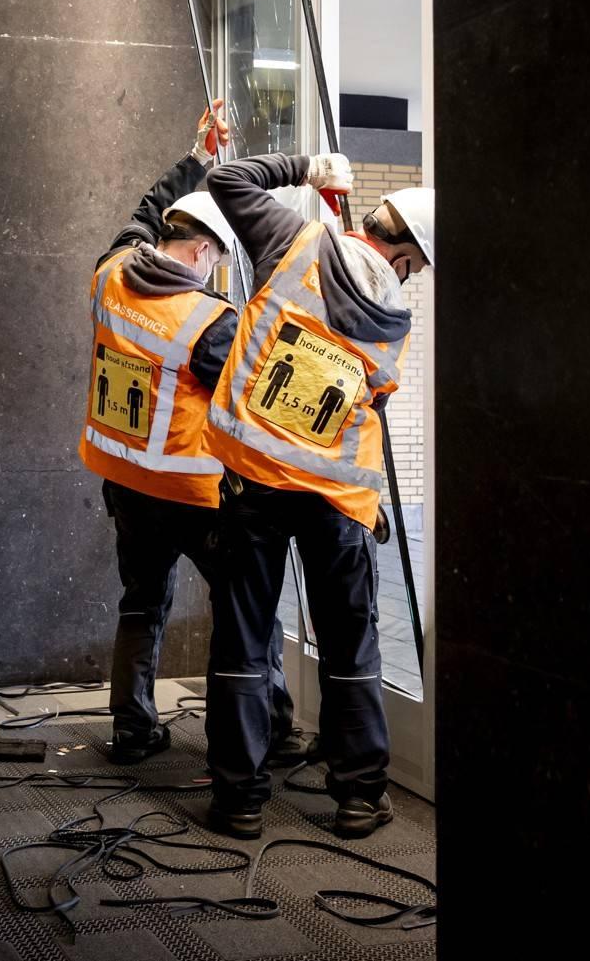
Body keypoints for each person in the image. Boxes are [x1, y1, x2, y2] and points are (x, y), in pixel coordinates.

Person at [200, 150, 433, 839]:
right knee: (350, 642)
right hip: (333, 495)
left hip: (254, 480)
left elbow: (226, 180)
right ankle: (360, 793)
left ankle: (239, 798)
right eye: (413, 267)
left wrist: (304, 168)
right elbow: (374, 397)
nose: (409, 280)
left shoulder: (290, 240)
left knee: (242, 640)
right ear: (399, 254)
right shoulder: (392, 316)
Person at [81, 101, 304, 767]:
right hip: (192, 493)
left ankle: (133, 727)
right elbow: (261, 398)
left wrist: (197, 159)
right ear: (205, 251)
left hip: (123, 483)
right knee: (249, 605)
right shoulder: (210, 321)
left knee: (141, 603)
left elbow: (145, 210)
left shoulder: (112, 274)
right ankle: (277, 726)